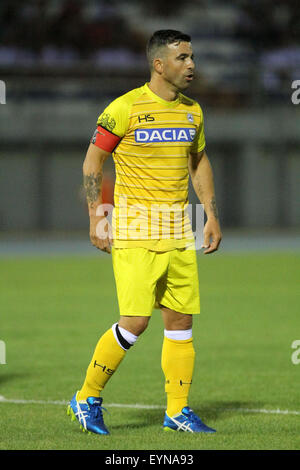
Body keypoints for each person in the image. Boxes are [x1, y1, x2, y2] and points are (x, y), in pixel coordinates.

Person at [67, 29, 222, 435]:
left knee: (181, 321)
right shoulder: (124, 108)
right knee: (135, 322)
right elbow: (92, 163)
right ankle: (86, 397)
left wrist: (210, 214)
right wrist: (95, 216)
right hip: (135, 230)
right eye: (183, 57)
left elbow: (199, 162)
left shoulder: (193, 111)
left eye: (193, 57)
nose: (192, 64)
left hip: (178, 229)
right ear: (159, 64)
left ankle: (177, 411)